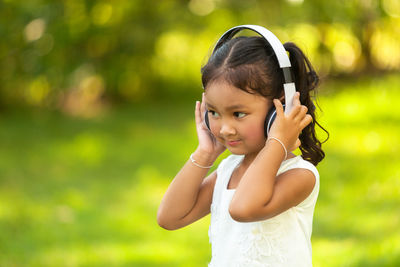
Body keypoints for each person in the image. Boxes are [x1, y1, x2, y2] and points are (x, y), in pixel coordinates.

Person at [157, 25, 329, 266]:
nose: (225, 128)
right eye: (214, 112)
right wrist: (205, 153)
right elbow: (170, 217)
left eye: (238, 114)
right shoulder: (228, 170)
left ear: (278, 108)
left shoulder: (300, 175)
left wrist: (277, 142)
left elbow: (243, 208)